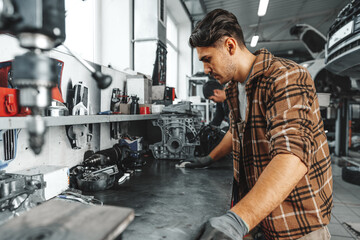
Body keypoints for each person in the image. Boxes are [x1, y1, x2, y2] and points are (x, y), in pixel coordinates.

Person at [185, 9, 333, 240]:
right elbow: (236, 132)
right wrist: (209, 159)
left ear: (230, 46)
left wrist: (236, 220)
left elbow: (292, 155)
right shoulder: (234, 89)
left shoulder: (286, 76)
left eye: (207, 59)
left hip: (296, 225)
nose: (205, 70)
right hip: (259, 221)